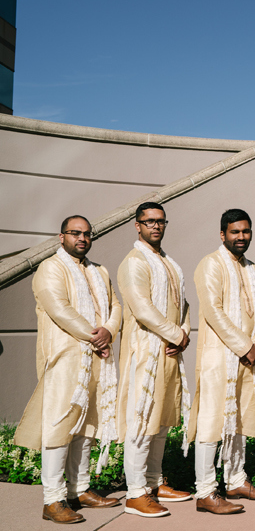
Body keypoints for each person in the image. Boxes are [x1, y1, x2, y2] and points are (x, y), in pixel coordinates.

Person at [14, 215, 122, 524]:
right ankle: (53, 500)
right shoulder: (51, 268)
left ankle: (80, 488)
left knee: (88, 424)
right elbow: (59, 309)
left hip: (98, 358)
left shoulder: (99, 270)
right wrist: (95, 336)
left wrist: (109, 332)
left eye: (87, 234)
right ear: (62, 237)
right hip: (65, 359)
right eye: (75, 233)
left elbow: (117, 306)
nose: (82, 238)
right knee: (59, 426)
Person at [190, 209, 255, 515]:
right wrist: (243, 345)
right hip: (219, 355)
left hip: (247, 356)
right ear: (222, 234)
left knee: (237, 419)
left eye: (246, 231)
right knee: (212, 421)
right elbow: (213, 310)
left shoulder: (252, 268)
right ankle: (205, 491)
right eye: (235, 232)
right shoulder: (211, 264)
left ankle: (236, 479)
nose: (241, 237)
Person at [117, 202, 193, 517]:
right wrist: (177, 335)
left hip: (169, 351)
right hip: (144, 352)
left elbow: (185, 306)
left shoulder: (171, 263)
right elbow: (142, 308)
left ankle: (153, 483)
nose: (156, 226)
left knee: (160, 420)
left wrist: (184, 333)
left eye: (160, 221)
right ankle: (135, 493)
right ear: (137, 225)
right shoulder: (134, 262)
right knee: (141, 419)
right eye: (149, 222)